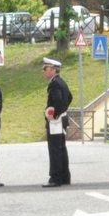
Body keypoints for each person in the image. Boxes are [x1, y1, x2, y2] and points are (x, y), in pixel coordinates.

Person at [42, 56, 73, 187]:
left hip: (56, 121)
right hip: (62, 119)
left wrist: (53, 114)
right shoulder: (61, 82)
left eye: (46, 68)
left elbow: (58, 100)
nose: (44, 71)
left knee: (55, 149)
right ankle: (65, 176)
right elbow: (70, 97)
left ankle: (55, 178)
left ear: (53, 70)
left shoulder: (55, 84)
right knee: (61, 149)